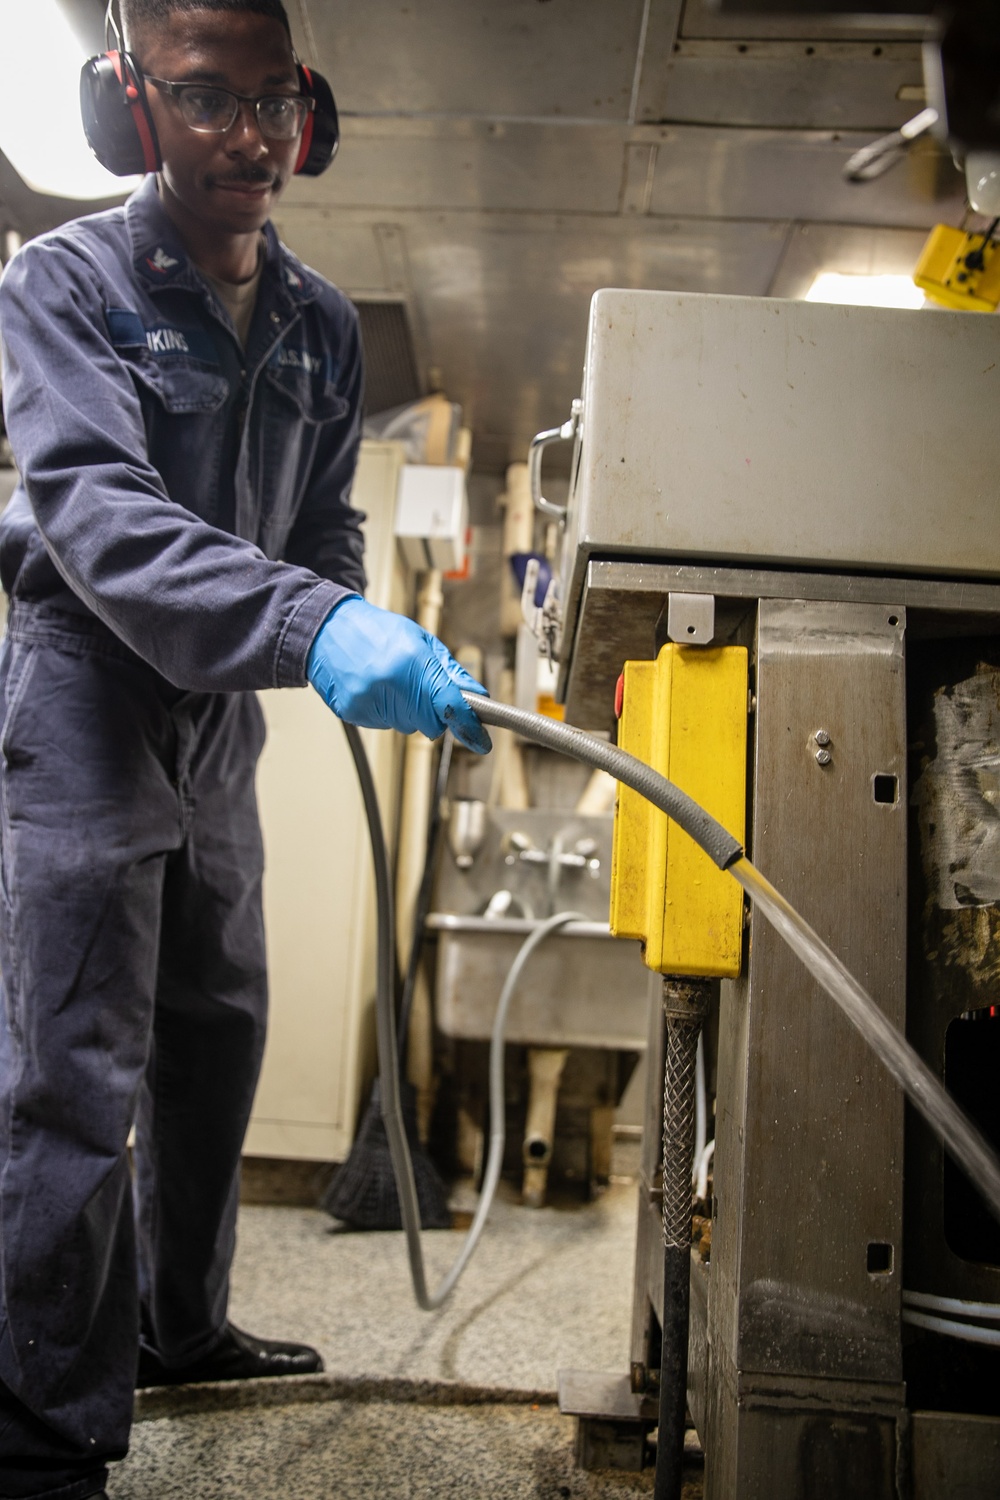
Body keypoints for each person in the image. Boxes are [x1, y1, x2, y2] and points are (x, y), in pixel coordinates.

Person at [0, 2, 490, 1496]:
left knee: (216, 1029)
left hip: (215, 719)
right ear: (130, 103)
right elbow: (102, 517)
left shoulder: (323, 324)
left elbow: (326, 525)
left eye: (275, 100)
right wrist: (313, 628)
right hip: (84, 690)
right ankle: (37, 1430)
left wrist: (359, 620)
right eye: (208, 98)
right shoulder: (61, 282)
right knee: (74, 1071)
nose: (252, 137)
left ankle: (182, 1326)